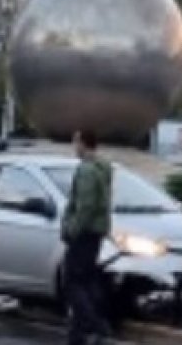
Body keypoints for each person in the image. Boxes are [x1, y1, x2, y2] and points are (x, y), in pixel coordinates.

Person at [61, 129, 114, 345]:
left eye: (76, 142)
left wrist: (71, 229)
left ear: (83, 143)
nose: (75, 147)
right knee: (86, 281)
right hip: (97, 232)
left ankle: (96, 325)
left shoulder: (87, 171)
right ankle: (77, 334)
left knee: (72, 282)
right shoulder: (104, 167)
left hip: (83, 233)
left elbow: (85, 206)